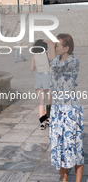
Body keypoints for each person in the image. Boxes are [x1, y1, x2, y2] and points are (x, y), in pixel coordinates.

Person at [46, 34, 84, 182]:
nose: (55, 47)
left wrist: (50, 45)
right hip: (58, 109)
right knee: (60, 146)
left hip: (70, 110)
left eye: (57, 45)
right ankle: (64, 180)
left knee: (74, 146)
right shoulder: (56, 60)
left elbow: (55, 66)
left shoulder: (74, 62)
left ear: (66, 48)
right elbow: (52, 85)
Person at [30, 39, 51, 130]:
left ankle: (42, 122)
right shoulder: (47, 54)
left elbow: (31, 69)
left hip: (38, 77)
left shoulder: (34, 56)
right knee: (49, 101)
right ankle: (48, 119)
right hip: (47, 77)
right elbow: (52, 66)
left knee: (41, 102)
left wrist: (36, 67)